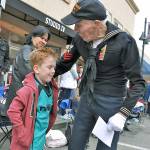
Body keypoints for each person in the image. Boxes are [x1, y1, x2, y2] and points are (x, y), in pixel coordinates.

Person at [54, 0, 146, 149]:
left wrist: (123, 113)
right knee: (74, 145)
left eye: (79, 24)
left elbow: (138, 83)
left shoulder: (124, 41)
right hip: (86, 99)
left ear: (96, 23)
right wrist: (37, 76)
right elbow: (64, 63)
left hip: (111, 103)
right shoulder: (80, 39)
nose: (75, 29)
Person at [7, 47, 58, 150]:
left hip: (40, 141)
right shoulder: (27, 90)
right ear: (36, 69)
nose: (53, 71)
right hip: (25, 145)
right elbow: (12, 111)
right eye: (49, 67)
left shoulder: (52, 89)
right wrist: (23, 134)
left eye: (54, 68)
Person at [0, 25, 51, 116]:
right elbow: (28, 69)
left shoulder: (34, 52)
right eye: (42, 38)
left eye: (46, 40)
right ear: (33, 36)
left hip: (23, 97)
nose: (44, 41)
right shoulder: (27, 49)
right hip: (19, 97)